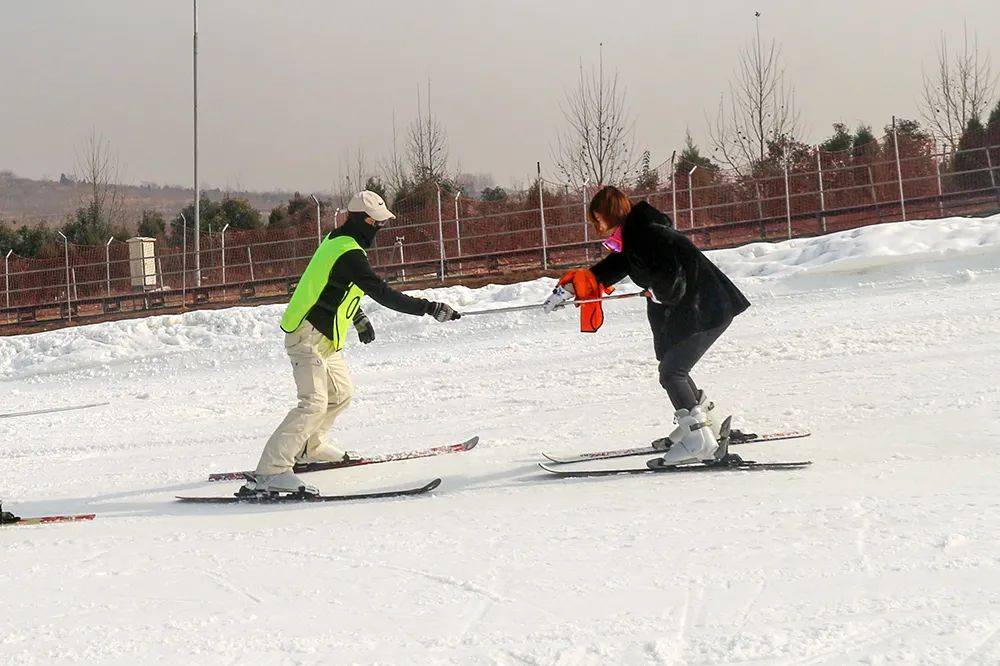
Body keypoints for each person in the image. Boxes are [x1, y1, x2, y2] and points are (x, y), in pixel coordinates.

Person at [244, 190, 461, 495]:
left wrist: (357, 317)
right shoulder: (347, 252)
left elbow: (333, 286)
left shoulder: (338, 242)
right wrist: (429, 307)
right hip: (307, 335)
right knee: (313, 403)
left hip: (324, 337)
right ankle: (271, 470)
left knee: (341, 394)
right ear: (362, 220)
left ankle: (311, 447)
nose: (380, 228)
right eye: (377, 222)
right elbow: (382, 293)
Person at [544, 186, 750, 465]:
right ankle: (705, 426)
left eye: (597, 219)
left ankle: (698, 441)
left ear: (609, 213)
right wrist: (569, 290)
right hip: (694, 308)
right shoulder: (635, 237)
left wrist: (659, 291)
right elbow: (610, 269)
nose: (597, 226)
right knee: (672, 362)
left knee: (671, 372)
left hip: (708, 307)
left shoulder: (649, 234)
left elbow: (673, 274)